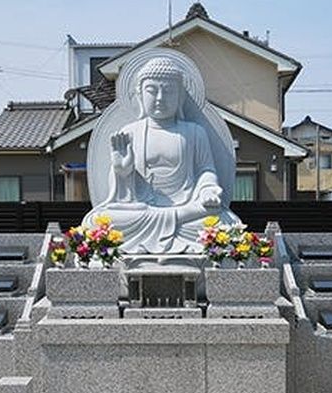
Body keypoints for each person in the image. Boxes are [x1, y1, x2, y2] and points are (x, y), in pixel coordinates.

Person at [83, 56, 237, 254]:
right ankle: (176, 227)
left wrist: (208, 190)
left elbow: (206, 170)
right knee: (97, 220)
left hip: (186, 205)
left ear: (180, 96)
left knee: (225, 221)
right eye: (152, 90)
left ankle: (170, 228)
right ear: (140, 94)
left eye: (169, 91)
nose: (160, 98)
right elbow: (122, 197)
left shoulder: (194, 132)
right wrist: (123, 172)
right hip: (142, 211)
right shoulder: (130, 132)